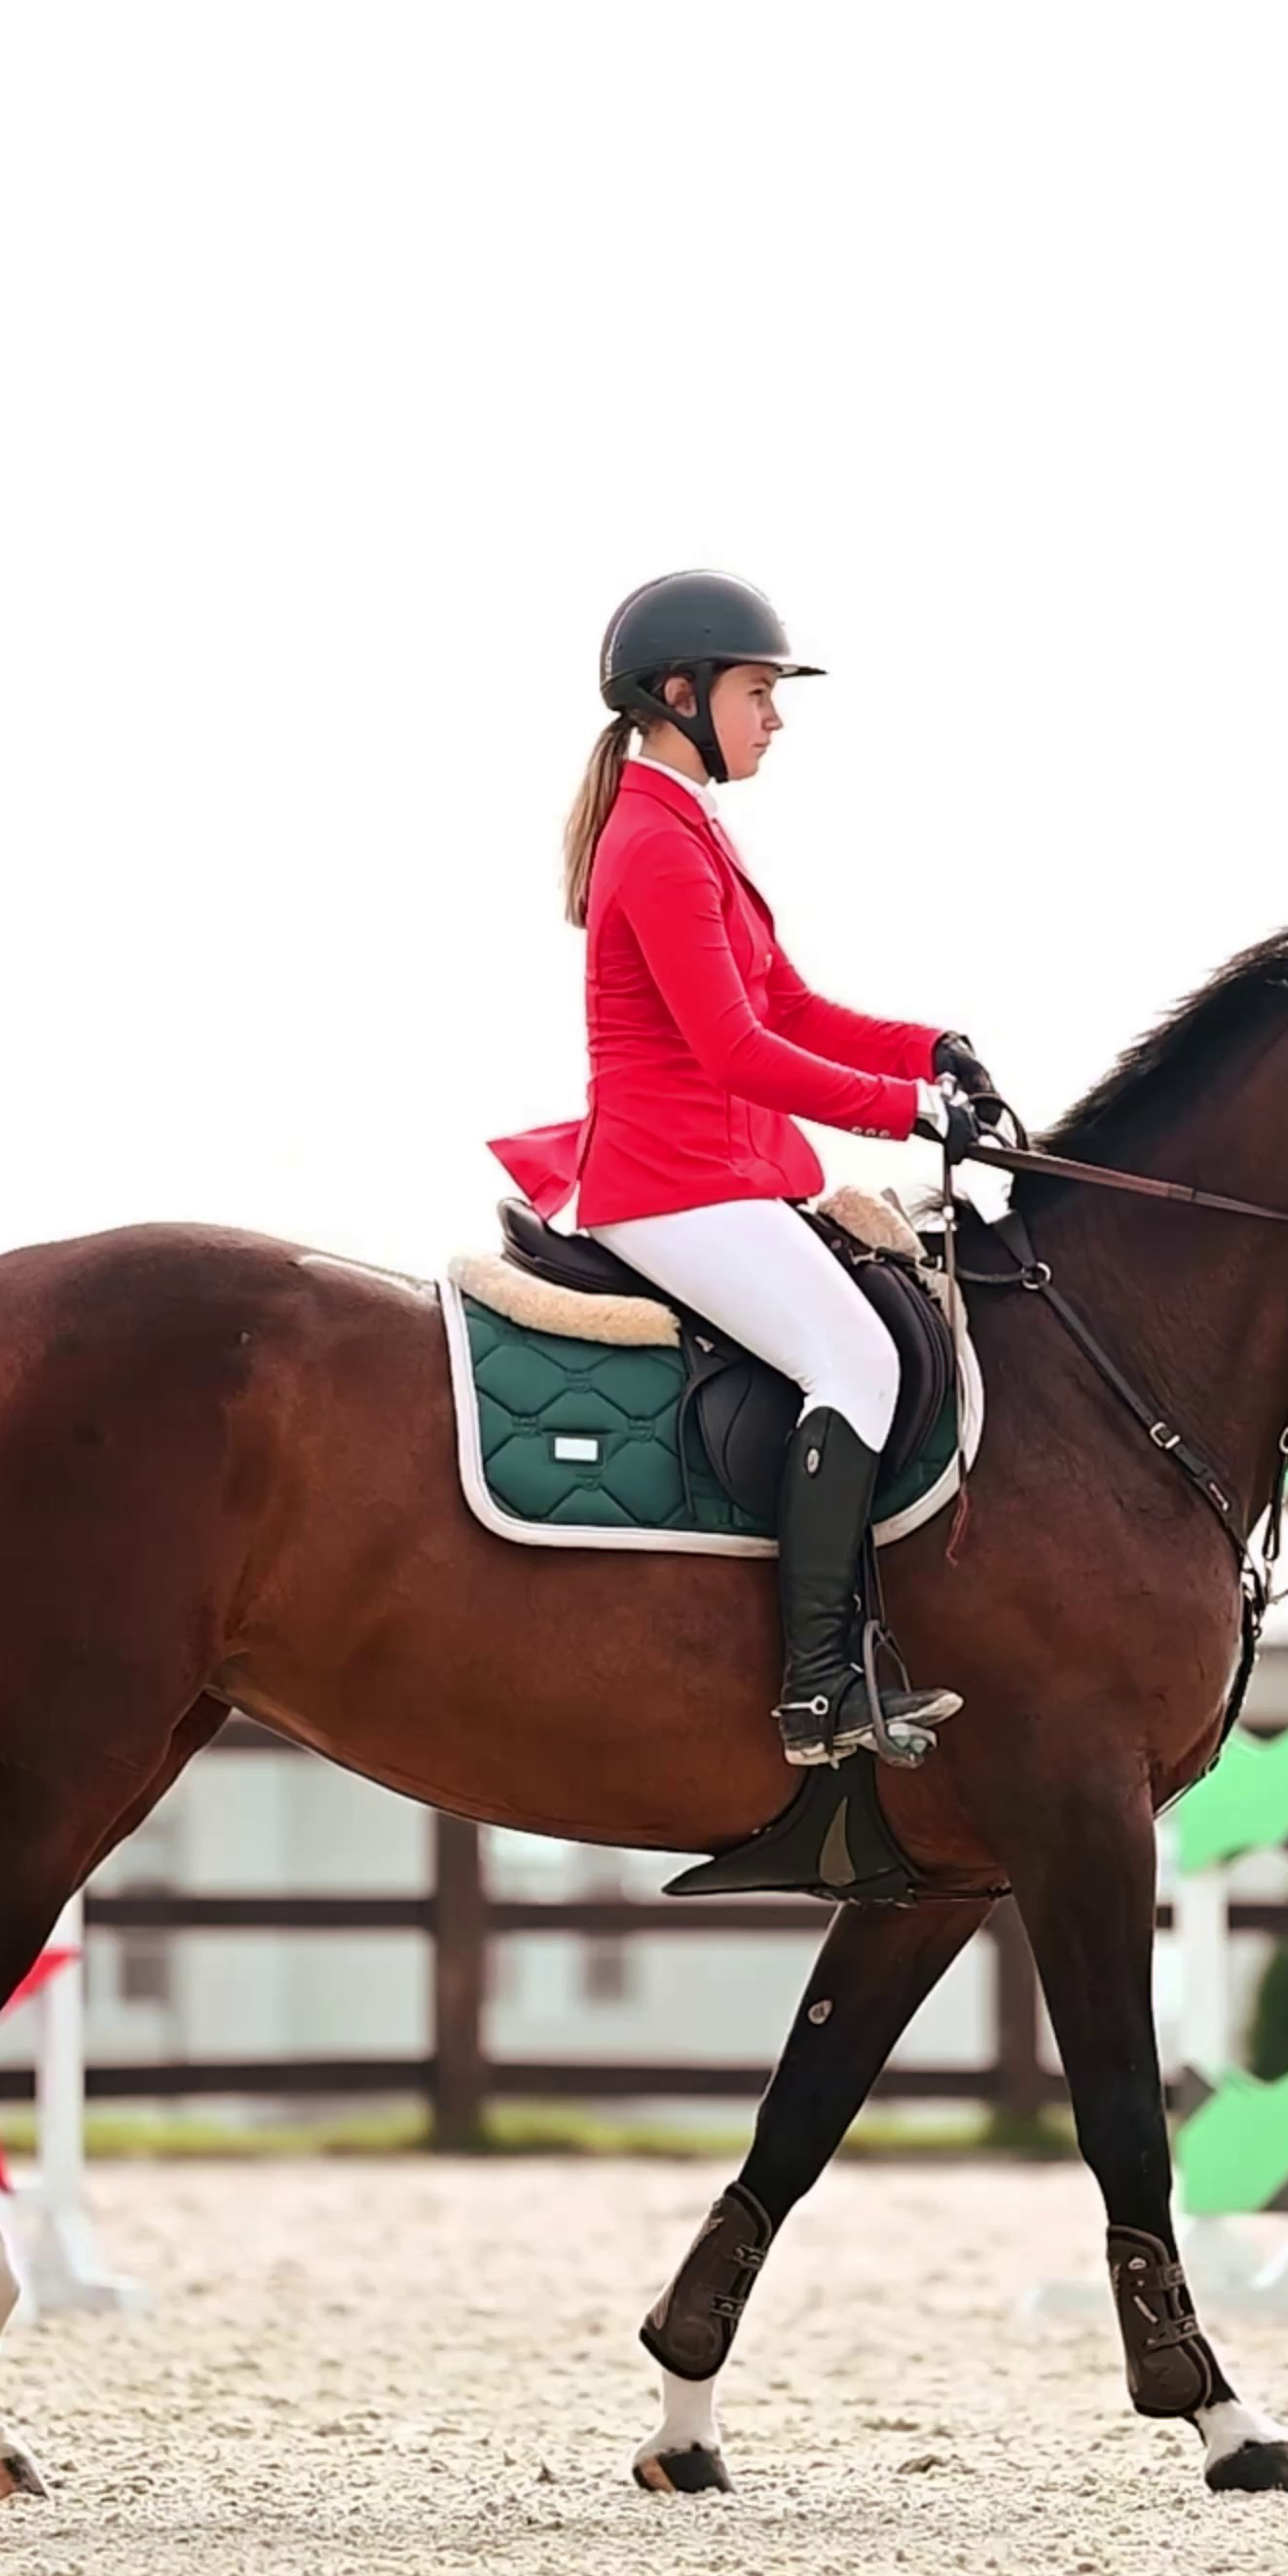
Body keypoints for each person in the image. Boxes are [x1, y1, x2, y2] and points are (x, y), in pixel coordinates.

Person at [492, 572, 997, 1771]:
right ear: (681, 694)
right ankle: (818, 1686)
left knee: (861, 1342)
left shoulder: (686, 828)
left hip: (715, 1169)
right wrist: (911, 1112)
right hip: (672, 1181)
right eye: (759, 692)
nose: (775, 716)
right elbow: (736, 1050)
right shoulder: (655, 844)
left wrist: (928, 1048)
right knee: (858, 1358)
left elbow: (789, 1006)